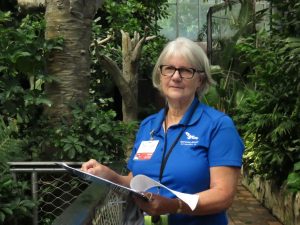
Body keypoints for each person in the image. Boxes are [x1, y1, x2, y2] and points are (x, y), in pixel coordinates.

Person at [81, 37, 244, 225]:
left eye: (185, 70)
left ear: (200, 79)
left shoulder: (218, 126)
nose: (175, 76)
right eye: (169, 69)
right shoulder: (149, 126)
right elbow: (136, 180)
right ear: (160, 76)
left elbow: (223, 195)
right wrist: (109, 175)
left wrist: (175, 205)